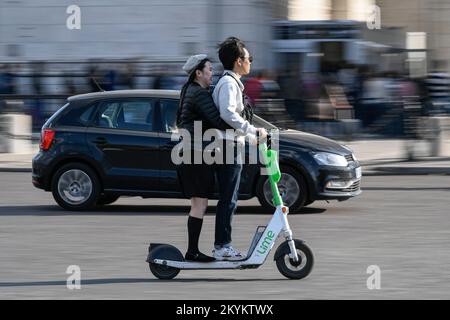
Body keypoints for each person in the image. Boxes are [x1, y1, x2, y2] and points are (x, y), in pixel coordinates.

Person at [212, 37, 267, 260]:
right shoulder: (228, 83)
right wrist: (252, 131)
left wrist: (251, 134)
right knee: (228, 198)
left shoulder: (231, 82)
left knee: (230, 197)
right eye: (248, 58)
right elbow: (227, 113)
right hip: (227, 145)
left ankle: (222, 245)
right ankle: (222, 247)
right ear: (238, 61)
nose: (250, 62)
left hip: (231, 143)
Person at [177, 54, 232, 262]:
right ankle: (192, 252)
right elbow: (219, 121)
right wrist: (242, 117)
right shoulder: (199, 94)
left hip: (192, 152)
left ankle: (192, 250)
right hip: (195, 154)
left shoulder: (188, 90)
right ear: (198, 73)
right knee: (199, 204)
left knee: (198, 204)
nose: (212, 73)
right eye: (209, 69)